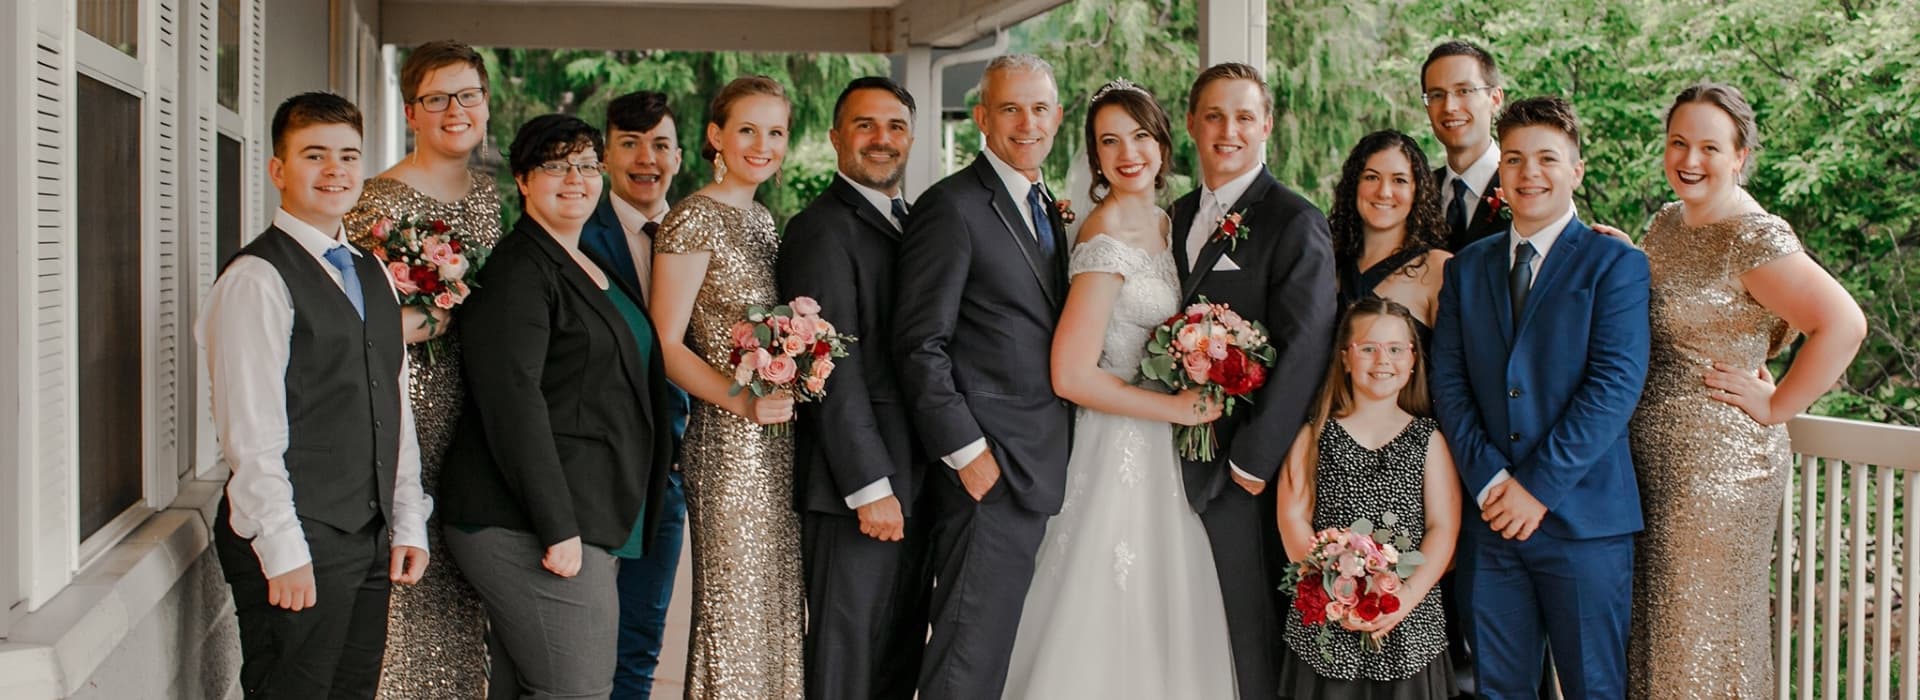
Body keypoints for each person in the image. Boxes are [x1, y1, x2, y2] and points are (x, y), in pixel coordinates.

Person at [1627, 82, 1865, 699]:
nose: (1689, 159)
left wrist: (1779, 403)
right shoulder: (1667, 220)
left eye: (1710, 146)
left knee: (1705, 634)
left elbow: (1843, 325)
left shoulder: (1754, 237)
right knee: (1660, 630)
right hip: (1655, 460)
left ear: (1740, 156)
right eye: (1679, 143)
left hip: (1719, 468)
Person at [1002, 78, 1237, 699]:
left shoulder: (1168, 222)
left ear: (1161, 142)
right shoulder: (1103, 237)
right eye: (1109, 141)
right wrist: (1174, 406)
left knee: (1166, 603)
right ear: (1095, 157)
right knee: (1109, 593)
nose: (1127, 152)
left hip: (1166, 444)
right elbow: (1071, 374)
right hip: (1120, 443)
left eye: (1138, 135)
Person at [200, 91, 431, 697]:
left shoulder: (372, 271)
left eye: (348, 156)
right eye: (314, 155)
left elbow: (393, 406)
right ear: (279, 170)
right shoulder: (257, 278)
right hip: (297, 535)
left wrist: (406, 520)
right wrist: (282, 548)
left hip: (369, 532)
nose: (335, 171)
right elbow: (249, 433)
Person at [440, 114, 675, 699]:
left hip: (585, 509)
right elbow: (513, 404)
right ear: (522, 179)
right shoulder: (520, 271)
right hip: (531, 519)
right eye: (554, 165)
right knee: (577, 691)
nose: (575, 178)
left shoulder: (586, 263)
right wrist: (557, 528)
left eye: (587, 165)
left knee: (530, 687)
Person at [1430, 96, 1650, 700]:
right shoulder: (1466, 269)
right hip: (1492, 518)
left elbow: (1615, 386)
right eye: (1516, 159)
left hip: (1584, 524)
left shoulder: (1617, 264)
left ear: (1576, 169)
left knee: (1594, 688)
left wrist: (1536, 489)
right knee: (1499, 690)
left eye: (1548, 158)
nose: (1530, 173)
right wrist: (1493, 483)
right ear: (1500, 170)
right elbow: (1449, 384)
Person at [893, 54, 1073, 700]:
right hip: (989, 469)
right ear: (981, 118)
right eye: (1010, 108)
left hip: (1042, 464)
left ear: (1057, 116)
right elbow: (919, 343)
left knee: (998, 652)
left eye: (1040, 108)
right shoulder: (952, 207)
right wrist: (969, 454)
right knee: (967, 655)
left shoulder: (1046, 203)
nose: (1028, 122)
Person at [1169, 61, 1338, 700]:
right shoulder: (1175, 215)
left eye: (1244, 116)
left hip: (1241, 469)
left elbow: (1308, 346)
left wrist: (1252, 462)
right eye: (1214, 115)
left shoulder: (1294, 220)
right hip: (1170, 454)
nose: (1228, 130)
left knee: (1248, 629)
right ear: (1191, 124)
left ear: (1266, 125)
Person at [340, 39, 500, 697]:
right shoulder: (377, 201)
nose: (455, 110)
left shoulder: (496, 197)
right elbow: (353, 325)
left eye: (468, 95)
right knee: (409, 581)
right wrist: (440, 316)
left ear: (485, 104)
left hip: (484, 416)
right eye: (438, 98)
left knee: (468, 589)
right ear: (412, 111)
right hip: (410, 416)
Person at [650, 75, 804, 697]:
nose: (762, 144)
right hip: (729, 441)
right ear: (716, 136)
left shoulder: (764, 220)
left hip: (776, 441)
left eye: (775, 132)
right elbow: (663, 345)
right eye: (748, 129)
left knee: (774, 603)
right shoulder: (693, 219)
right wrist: (743, 399)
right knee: (734, 606)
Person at [776, 76, 929, 700]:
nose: (881, 140)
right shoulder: (821, 229)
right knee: (846, 666)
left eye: (894, 126)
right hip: (855, 492)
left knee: (895, 659)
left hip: (915, 481)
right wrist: (869, 488)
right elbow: (828, 368)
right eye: (864, 125)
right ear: (836, 136)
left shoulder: (911, 222)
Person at [1276, 297, 1463, 699]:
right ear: (1345, 357)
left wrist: (1405, 598)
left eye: (1396, 349)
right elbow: (1293, 516)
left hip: (1406, 619)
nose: (1383, 360)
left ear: (1412, 360)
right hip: (1328, 618)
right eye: (1368, 348)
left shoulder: (1429, 439)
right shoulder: (1315, 434)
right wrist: (1329, 587)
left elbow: (1443, 526)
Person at [578, 90, 693, 700]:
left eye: (660, 144)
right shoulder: (577, 229)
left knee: (642, 636)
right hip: (591, 470)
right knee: (580, 639)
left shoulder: (700, 231)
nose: (646, 158)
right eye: (629, 143)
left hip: (670, 469)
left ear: (678, 155)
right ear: (605, 155)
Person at [1329, 130, 1453, 337]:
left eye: (1399, 180)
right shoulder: (1331, 262)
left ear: (1418, 190)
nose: (1384, 192)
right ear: (1354, 185)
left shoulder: (1439, 269)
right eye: (1371, 177)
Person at [1421, 41, 1509, 253]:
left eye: (1464, 91)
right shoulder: (1417, 193)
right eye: (1436, 95)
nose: (1449, 107)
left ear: (1495, 99)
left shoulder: (1531, 185)